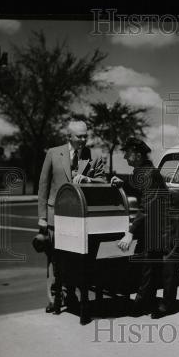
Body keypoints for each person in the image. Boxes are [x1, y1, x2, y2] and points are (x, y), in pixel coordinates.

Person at [38, 120, 106, 313]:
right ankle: (55, 298)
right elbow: (43, 187)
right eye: (79, 136)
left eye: (86, 135)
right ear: (68, 137)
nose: (84, 139)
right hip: (54, 217)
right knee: (55, 260)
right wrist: (42, 217)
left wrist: (88, 179)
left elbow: (103, 181)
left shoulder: (93, 156)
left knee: (74, 259)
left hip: (79, 218)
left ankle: (71, 296)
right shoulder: (53, 153)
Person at [112, 137, 179, 318]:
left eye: (127, 152)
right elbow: (137, 188)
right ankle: (144, 301)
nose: (125, 156)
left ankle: (167, 305)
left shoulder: (149, 173)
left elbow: (146, 208)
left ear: (138, 154)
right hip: (154, 224)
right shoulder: (143, 171)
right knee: (149, 265)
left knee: (167, 267)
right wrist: (123, 183)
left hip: (164, 225)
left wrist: (130, 233)